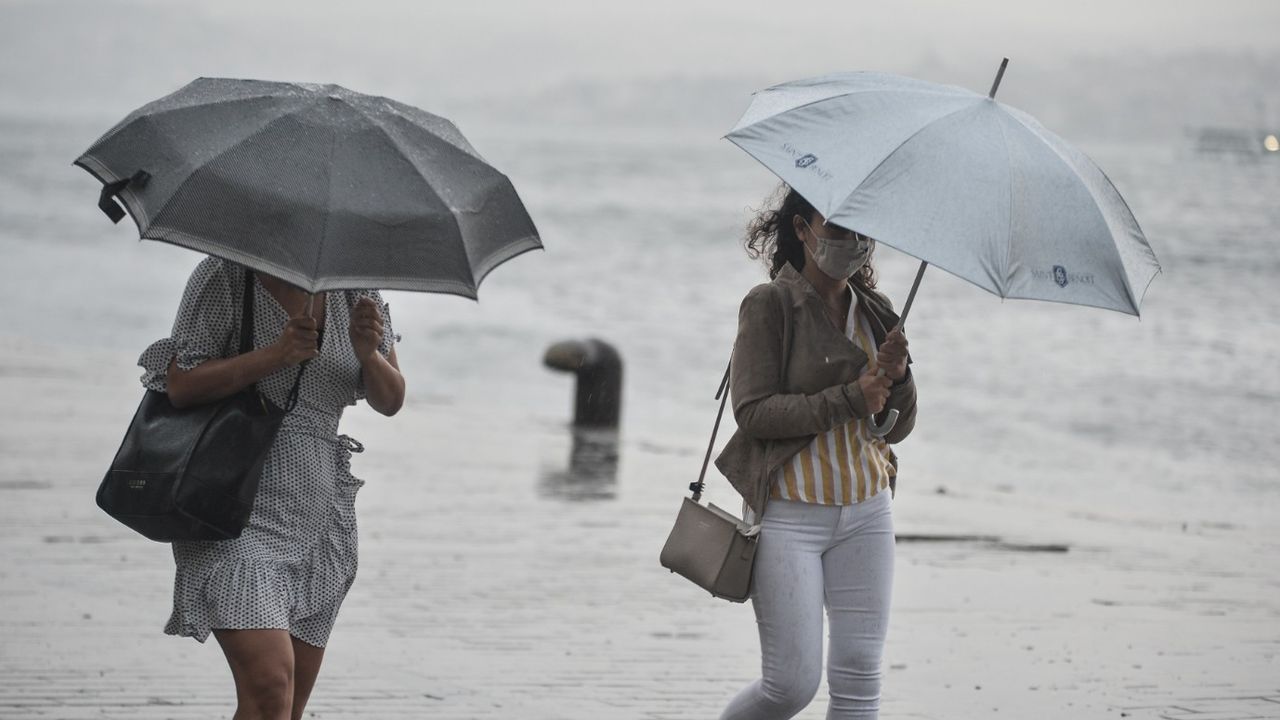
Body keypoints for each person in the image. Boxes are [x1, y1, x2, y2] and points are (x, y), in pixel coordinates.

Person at [138, 256, 405, 720]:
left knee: (287, 706)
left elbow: (391, 399)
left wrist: (369, 353)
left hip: (321, 517)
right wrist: (275, 355)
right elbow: (180, 385)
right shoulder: (225, 275)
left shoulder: (358, 293)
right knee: (269, 688)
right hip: (232, 504)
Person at [714, 186, 918, 720]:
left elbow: (898, 429)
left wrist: (898, 380)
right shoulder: (770, 304)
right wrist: (852, 397)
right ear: (802, 230)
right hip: (789, 515)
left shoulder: (877, 311)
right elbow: (753, 412)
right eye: (838, 229)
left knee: (859, 686)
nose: (851, 243)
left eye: (861, 233)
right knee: (790, 687)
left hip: (868, 511)